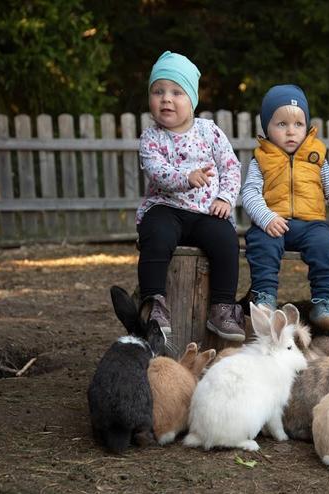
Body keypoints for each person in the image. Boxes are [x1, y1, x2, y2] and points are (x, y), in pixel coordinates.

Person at [241, 84, 329, 332]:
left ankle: (323, 303)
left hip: (311, 224)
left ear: (307, 126)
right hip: (273, 223)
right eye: (281, 124)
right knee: (261, 245)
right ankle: (265, 298)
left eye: (298, 124)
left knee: (326, 247)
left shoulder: (316, 157)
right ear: (267, 127)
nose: (291, 131)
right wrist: (266, 217)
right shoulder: (262, 159)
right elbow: (249, 193)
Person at [136, 50, 245, 343]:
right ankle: (154, 304)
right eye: (158, 91)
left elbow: (231, 166)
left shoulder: (209, 132)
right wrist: (186, 178)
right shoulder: (151, 138)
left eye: (176, 92)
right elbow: (156, 171)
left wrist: (225, 198)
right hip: (166, 207)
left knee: (225, 241)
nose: (166, 99)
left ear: (192, 100)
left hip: (206, 212)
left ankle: (222, 307)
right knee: (155, 235)